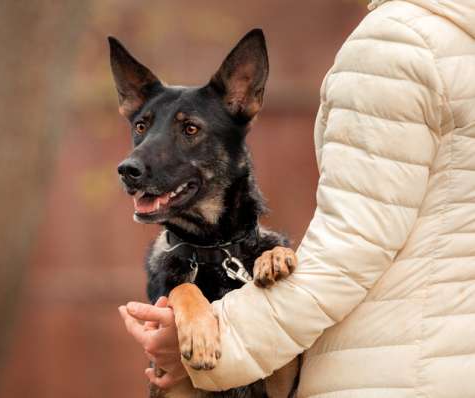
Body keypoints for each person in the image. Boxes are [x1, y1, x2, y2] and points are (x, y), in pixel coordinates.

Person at [119, 0, 475, 396]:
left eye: (188, 130)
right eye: (141, 127)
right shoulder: (455, 43)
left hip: (393, 367)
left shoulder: (397, 43)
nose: (135, 160)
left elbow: (353, 246)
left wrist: (213, 338)